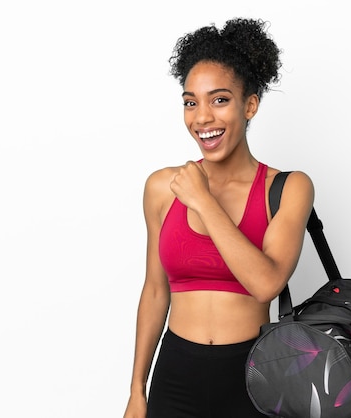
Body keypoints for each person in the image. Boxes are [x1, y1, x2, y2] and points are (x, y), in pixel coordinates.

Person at [123, 17, 314, 418]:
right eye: (191, 102)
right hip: (175, 376)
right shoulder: (162, 188)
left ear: (250, 105)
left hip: (253, 380)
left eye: (220, 99)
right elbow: (156, 291)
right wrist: (137, 391)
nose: (202, 117)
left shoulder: (288, 188)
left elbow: (265, 284)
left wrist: (203, 201)